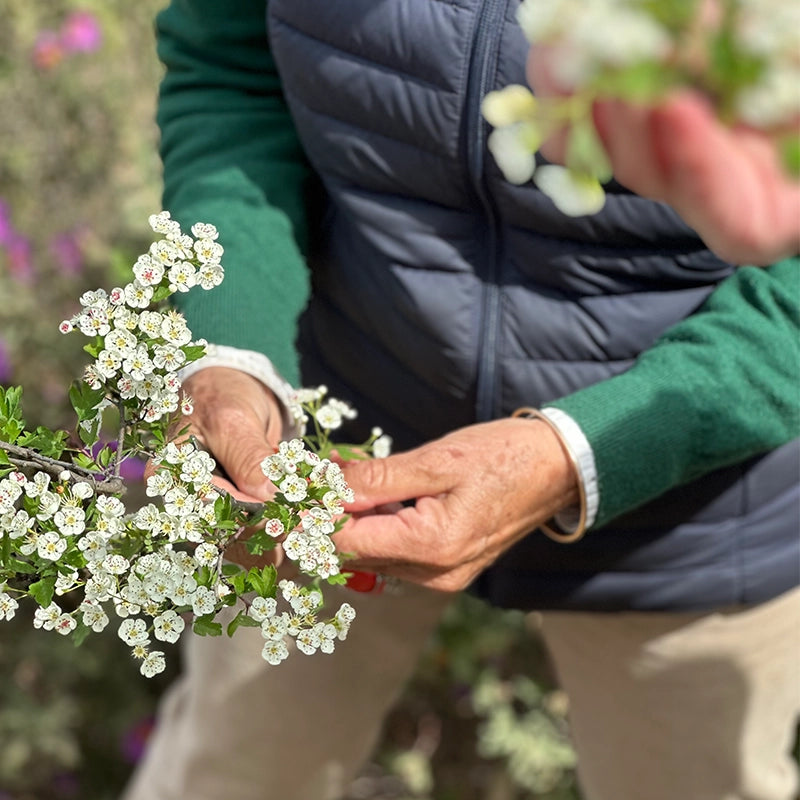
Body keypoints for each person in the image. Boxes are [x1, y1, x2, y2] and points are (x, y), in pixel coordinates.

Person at [122, 2, 800, 799]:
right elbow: (232, 73)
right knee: (234, 768)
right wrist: (231, 351)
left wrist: (586, 450)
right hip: (333, 450)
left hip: (693, 504)